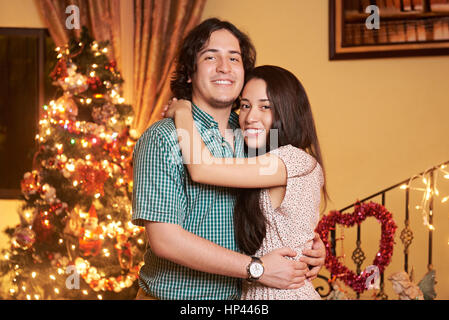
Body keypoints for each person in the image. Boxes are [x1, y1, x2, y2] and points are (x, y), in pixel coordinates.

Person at [131, 18, 326, 300]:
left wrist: (308, 249)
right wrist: (256, 269)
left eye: (234, 58)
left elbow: (281, 212)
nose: (224, 67)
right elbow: (165, 241)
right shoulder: (164, 138)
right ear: (189, 72)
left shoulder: (254, 136)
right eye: (211, 56)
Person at [163, 65, 328, 299]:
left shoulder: (293, 160)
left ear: (288, 111)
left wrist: (182, 110)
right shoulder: (257, 158)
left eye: (265, 107)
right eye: (245, 105)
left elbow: (201, 168)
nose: (250, 117)